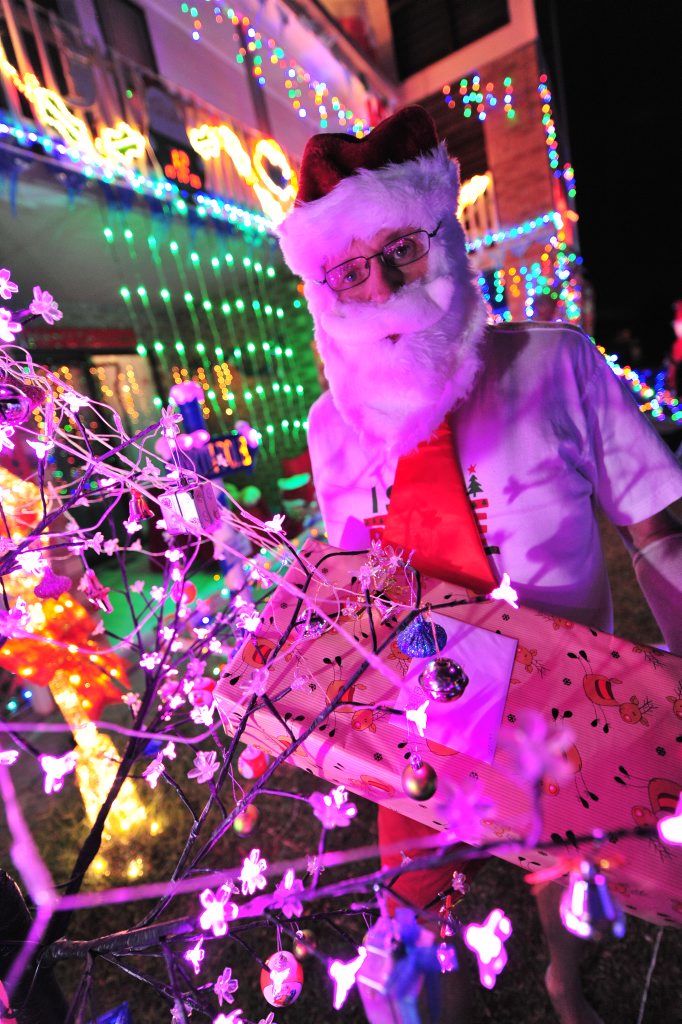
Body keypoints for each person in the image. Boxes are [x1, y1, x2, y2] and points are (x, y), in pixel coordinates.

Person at [277, 105, 682, 1023]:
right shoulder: (331, 428)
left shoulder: (555, 364)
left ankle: (565, 983)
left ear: (444, 240)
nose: (383, 285)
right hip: (423, 718)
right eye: (351, 269)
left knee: (572, 868)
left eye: (402, 250)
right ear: (326, 288)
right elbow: (358, 589)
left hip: (570, 705)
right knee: (413, 919)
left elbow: (656, 531)